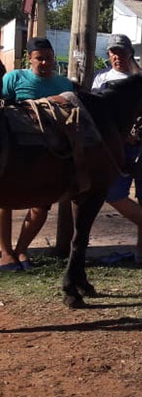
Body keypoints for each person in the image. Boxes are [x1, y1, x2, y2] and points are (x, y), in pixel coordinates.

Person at [91, 34, 142, 263]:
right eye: (113, 52)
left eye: (122, 51)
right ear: (108, 55)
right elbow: (100, 115)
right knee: (114, 193)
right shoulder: (101, 79)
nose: (117, 56)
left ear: (130, 54)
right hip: (119, 145)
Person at [0, 37, 76, 271]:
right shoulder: (14, 78)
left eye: (48, 58)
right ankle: (5, 253)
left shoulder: (65, 84)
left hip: (49, 154)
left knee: (42, 203)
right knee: (4, 200)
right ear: (30, 59)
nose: (44, 63)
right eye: (39, 58)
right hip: (17, 151)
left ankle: (22, 249)